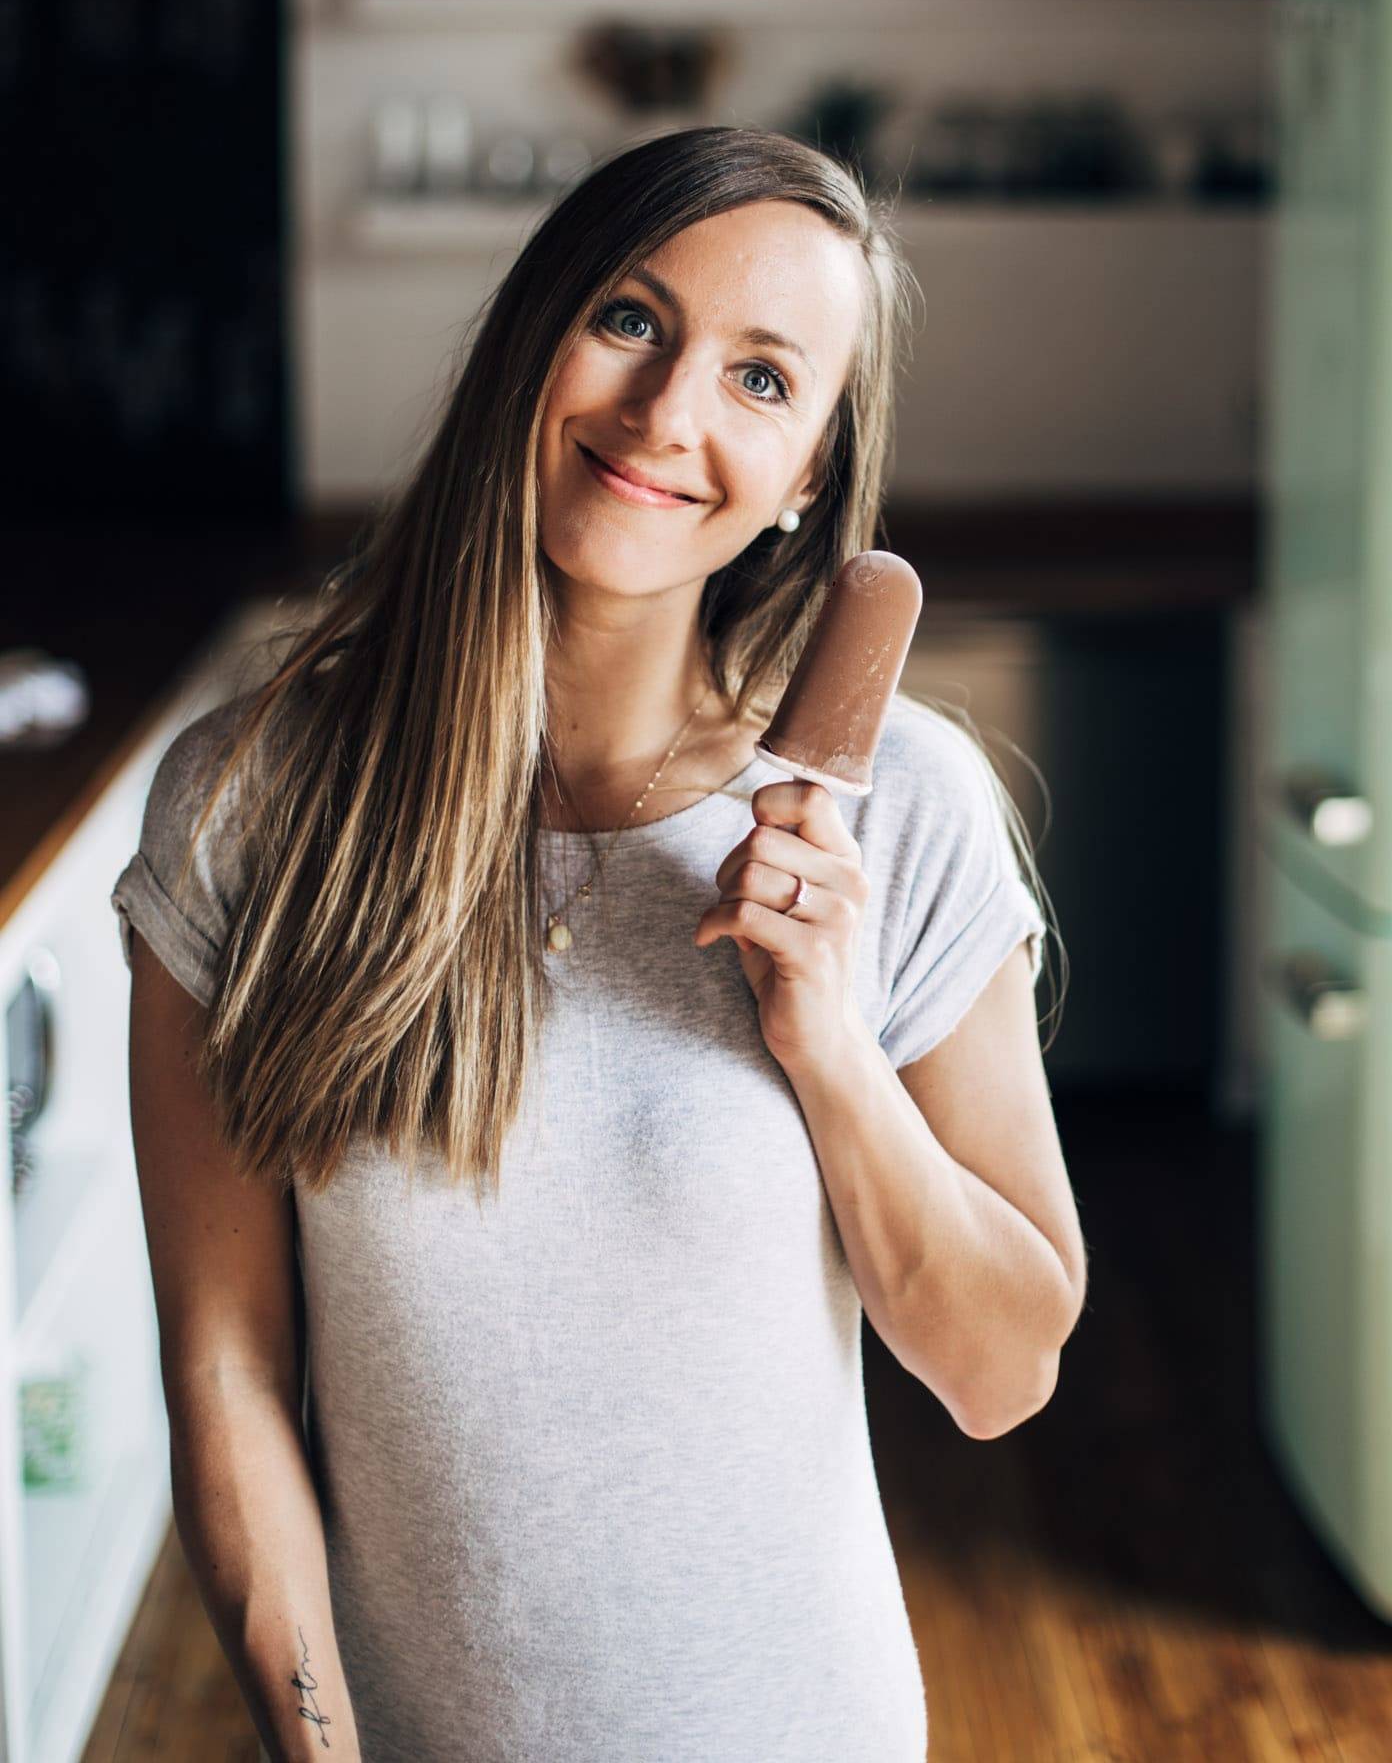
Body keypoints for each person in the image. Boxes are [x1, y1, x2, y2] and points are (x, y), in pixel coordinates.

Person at [111, 124, 1085, 1762]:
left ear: (810, 480)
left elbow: (1000, 1372)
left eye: (764, 381)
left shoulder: (898, 809)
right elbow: (227, 1374)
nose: (669, 415)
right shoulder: (250, 806)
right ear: (530, 338)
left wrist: (833, 1050)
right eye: (633, 320)